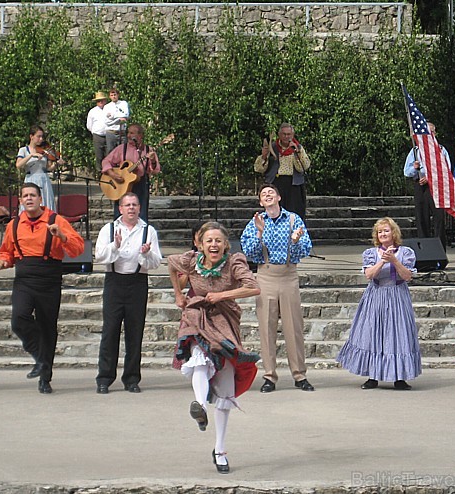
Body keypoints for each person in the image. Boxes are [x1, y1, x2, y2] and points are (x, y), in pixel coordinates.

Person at [168, 222, 261, 474]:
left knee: (225, 386)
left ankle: (219, 450)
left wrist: (222, 296)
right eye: (208, 240)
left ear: (225, 244)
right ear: (200, 244)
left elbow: (254, 287)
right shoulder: (192, 260)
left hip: (225, 321)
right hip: (197, 316)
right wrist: (178, 294)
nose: (213, 245)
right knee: (198, 357)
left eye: (218, 241)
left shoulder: (234, 263)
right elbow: (172, 263)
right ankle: (199, 405)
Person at [0, 182, 85, 394]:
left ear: (40, 199)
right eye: (25, 195)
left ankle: (45, 377)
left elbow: (78, 248)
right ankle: (40, 358)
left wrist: (61, 236)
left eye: (33, 195)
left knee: (47, 328)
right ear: (20, 200)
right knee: (19, 319)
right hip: (24, 278)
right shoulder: (14, 224)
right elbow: (6, 252)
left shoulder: (56, 220)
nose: (29, 199)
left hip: (49, 279)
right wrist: (3, 261)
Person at [240, 184, 315, 393]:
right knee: (266, 328)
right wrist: (259, 234)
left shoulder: (293, 219)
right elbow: (250, 253)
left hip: (288, 274)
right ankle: (269, 376)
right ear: (261, 202)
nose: (267, 195)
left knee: (294, 328)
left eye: (271, 192)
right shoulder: (256, 222)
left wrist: (296, 241)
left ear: (279, 197)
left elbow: (305, 249)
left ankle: (299, 375)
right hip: (266, 274)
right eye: (263, 194)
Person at [335, 217, 422, 390]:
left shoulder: (405, 252)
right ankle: (373, 376)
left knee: (398, 334)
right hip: (376, 295)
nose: (383, 234)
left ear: (393, 233)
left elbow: (407, 276)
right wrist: (383, 260)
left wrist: (394, 260)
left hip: (397, 295)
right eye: (380, 231)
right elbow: (369, 275)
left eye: (386, 230)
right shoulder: (370, 253)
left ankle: (399, 377)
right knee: (373, 333)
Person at [94, 192, 162, 394]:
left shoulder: (148, 230)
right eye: (127, 205)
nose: (131, 208)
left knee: (135, 332)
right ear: (120, 208)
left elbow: (156, 261)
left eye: (134, 204)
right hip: (114, 283)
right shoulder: (109, 229)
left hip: (137, 283)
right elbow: (100, 256)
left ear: (139, 208)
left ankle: (132, 378)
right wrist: (115, 245)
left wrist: (146, 252)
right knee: (110, 331)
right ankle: (104, 378)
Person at [403, 121, 449, 250]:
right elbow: (407, 172)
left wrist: (430, 178)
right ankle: (424, 250)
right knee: (421, 218)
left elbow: (447, 170)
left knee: (438, 220)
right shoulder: (415, 151)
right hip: (420, 187)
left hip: (436, 186)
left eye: (430, 132)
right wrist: (415, 167)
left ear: (434, 133)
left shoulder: (441, 150)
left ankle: (440, 250)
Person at [101, 123, 160, 222]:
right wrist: (112, 174)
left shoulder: (148, 150)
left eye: (131, 133)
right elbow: (106, 161)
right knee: (119, 215)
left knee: (141, 215)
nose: (128, 135)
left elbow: (155, 169)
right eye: (128, 132)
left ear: (140, 135)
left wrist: (153, 161)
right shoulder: (121, 149)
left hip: (141, 185)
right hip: (121, 186)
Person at [254, 123, 310, 221]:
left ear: (292, 135)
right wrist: (263, 156)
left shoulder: (298, 148)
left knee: (295, 212)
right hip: (276, 182)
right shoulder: (272, 147)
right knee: (275, 211)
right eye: (284, 134)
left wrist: (297, 152)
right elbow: (259, 168)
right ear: (279, 135)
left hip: (293, 184)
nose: (286, 137)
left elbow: (304, 166)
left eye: (289, 134)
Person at [16, 125, 57, 211]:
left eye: (42, 137)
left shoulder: (44, 150)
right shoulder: (23, 150)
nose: (41, 139)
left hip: (44, 179)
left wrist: (56, 163)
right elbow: (18, 165)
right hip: (31, 179)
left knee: (46, 203)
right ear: (31, 136)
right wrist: (31, 155)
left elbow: (48, 168)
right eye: (38, 136)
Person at [87, 91, 109, 172]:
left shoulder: (109, 109)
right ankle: (99, 173)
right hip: (98, 135)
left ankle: (108, 173)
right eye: (98, 101)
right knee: (99, 156)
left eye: (101, 100)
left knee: (109, 155)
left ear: (105, 101)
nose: (100, 102)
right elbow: (89, 125)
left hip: (108, 135)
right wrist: (94, 132)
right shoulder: (92, 111)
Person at [104, 87, 130, 154]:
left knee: (123, 151)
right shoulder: (107, 107)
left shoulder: (123, 103)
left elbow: (125, 115)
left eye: (115, 95)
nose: (114, 97)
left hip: (122, 131)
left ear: (118, 95)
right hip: (111, 132)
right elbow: (107, 121)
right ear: (109, 96)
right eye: (112, 95)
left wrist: (112, 116)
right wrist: (118, 118)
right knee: (110, 151)